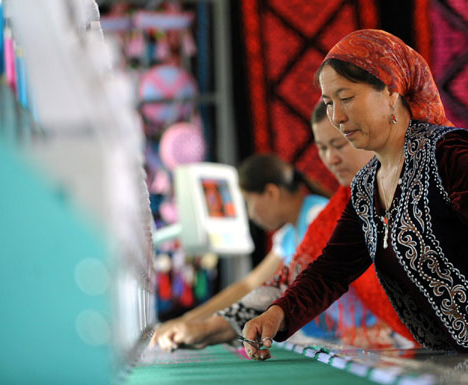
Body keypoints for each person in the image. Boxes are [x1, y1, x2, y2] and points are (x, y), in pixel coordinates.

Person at [242, 29, 468, 361]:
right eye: (329, 103)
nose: (337, 116)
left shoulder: (446, 156)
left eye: (346, 98)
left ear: (392, 91)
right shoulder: (367, 187)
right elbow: (331, 270)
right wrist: (278, 314)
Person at [150, 101, 418, 351]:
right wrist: (198, 324)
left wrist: (205, 326)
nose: (331, 159)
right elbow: (273, 283)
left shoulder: (319, 213)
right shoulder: (337, 210)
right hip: (387, 345)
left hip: (398, 342)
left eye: (339, 144)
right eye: (323, 148)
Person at [150, 153, 328, 351]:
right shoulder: (287, 236)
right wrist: (187, 321)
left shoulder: (317, 217)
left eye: (249, 202)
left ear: (271, 193)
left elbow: (276, 289)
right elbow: (248, 285)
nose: (251, 214)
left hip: (353, 337)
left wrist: (206, 326)